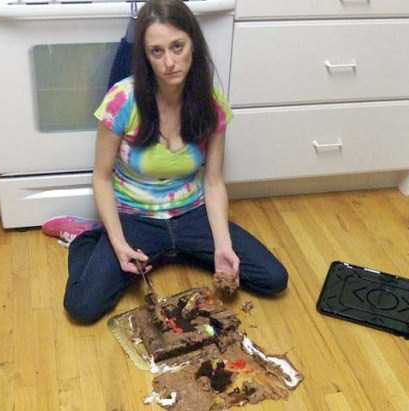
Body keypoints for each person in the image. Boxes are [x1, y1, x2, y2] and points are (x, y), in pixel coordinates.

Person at [57, 0, 287, 324]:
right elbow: (101, 177)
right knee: (82, 306)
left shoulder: (212, 104)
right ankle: (88, 239)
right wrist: (119, 243)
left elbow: (213, 181)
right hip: (135, 217)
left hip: (192, 214)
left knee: (274, 279)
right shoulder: (122, 100)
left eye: (177, 47)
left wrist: (222, 246)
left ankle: (174, 251)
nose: (169, 62)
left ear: (193, 43)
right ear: (145, 56)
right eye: (157, 51)